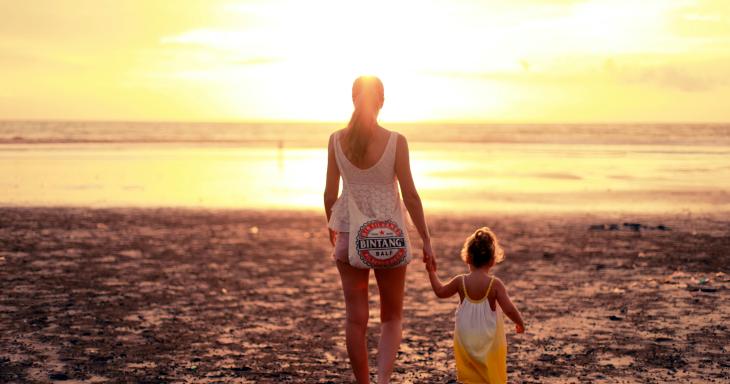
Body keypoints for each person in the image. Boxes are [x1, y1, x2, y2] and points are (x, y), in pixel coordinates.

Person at [324, 76, 434, 384]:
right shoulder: (396, 141)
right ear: (382, 101)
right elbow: (410, 195)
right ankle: (383, 381)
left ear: (352, 99)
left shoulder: (335, 140)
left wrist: (332, 227)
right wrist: (426, 239)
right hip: (390, 238)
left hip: (349, 235)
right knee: (391, 317)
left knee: (355, 318)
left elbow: (329, 194)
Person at [425, 227, 525, 384]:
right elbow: (509, 308)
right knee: (490, 371)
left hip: (466, 338)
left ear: (467, 258)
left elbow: (440, 291)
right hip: (489, 340)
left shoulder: (460, 281)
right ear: (492, 260)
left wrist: (431, 271)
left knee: (471, 375)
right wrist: (519, 322)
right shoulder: (495, 284)